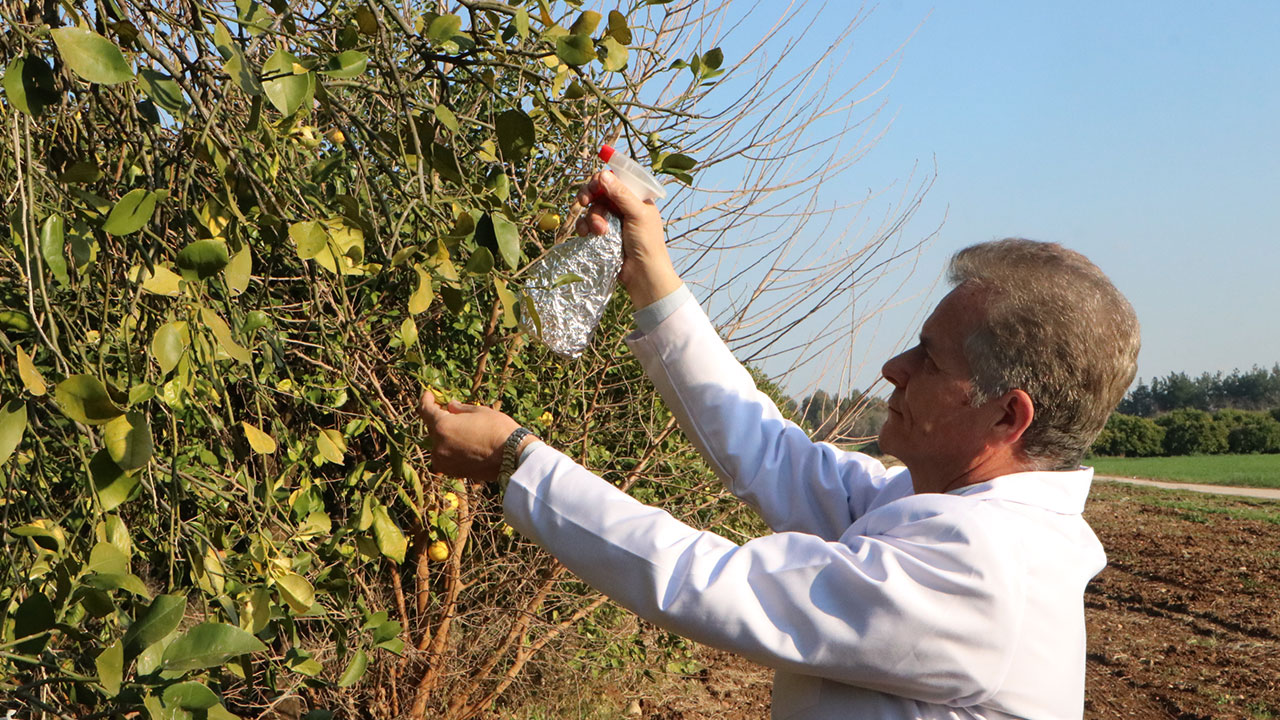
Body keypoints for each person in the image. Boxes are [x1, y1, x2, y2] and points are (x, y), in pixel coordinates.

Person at [417, 170, 1139, 719]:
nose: (895, 368)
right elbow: (770, 451)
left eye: (930, 358)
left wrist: (518, 461)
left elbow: (712, 585)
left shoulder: (984, 571)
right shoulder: (934, 509)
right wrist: (649, 273)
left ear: (1007, 418)